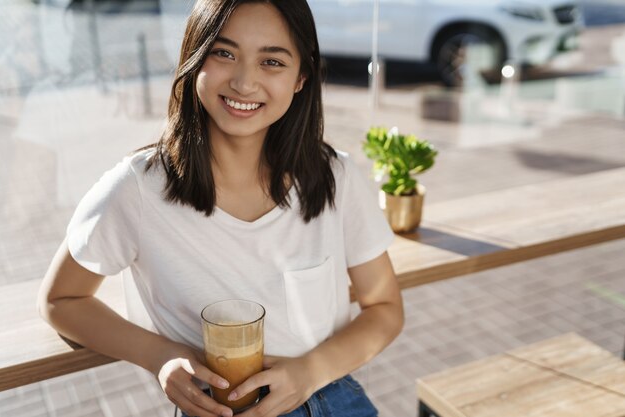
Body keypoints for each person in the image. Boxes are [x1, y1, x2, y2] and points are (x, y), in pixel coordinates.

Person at [38, 0, 404, 416]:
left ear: (302, 77)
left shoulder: (334, 176)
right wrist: (160, 356)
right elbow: (60, 300)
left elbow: (385, 308)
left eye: (272, 61)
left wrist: (309, 372)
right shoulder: (136, 189)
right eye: (224, 53)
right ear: (195, 60)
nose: (245, 82)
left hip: (330, 396)